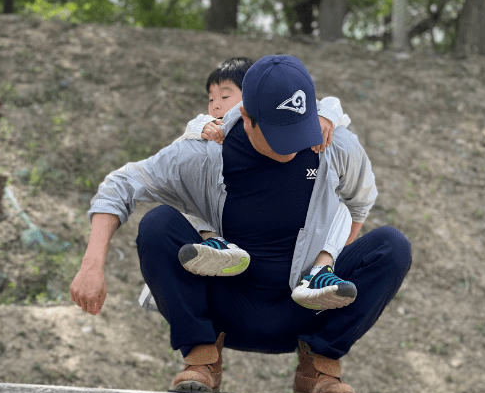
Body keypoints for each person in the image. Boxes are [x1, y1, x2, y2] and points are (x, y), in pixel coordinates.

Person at [70, 55, 411, 393]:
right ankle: (202, 356)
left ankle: (319, 363)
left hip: (306, 307)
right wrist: (92, 265)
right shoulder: (204, 152)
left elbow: (359, 203)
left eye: (299, 129)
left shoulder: (335, 145)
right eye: (280, 135)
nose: (294, 145)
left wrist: (326, 264)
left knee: (392, 246)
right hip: (224, 307)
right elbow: (120, 186)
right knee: (158, 224)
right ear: (246, 116)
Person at [139, 56, 357, 312]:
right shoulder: (211, 132)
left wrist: (327, 116)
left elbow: (330, 104)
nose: (215, 105)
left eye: (225, 96)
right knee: (188, 192)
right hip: (226, 227)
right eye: (211, 99)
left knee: (341, 209)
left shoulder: (289, 132)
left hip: (279, 245)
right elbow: (181, 151)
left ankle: (321, 269)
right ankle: (212, 242)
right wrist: (200, 128)